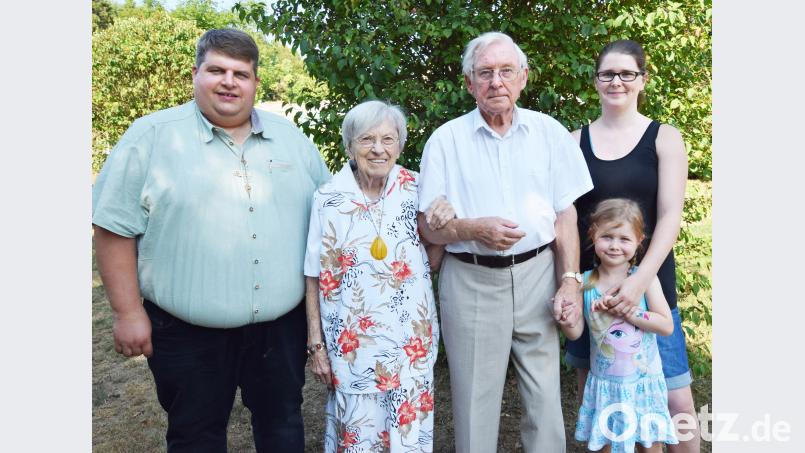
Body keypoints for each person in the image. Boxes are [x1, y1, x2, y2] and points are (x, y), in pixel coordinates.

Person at [92, 28, 331, 452]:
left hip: (280, 332)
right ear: (195, 74)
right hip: (186, 334)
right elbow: (114, 227)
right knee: (195, 435)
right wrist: (127, 312)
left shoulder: (290, 139)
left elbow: (334, 210)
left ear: (256, 82)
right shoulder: (150, 137)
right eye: (216, 70)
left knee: (283, 425)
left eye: (241, 73)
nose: (229, 82)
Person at [417, 32, 594, 453]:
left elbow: (565, 213)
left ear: (522, 78)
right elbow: (429, 227)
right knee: (475, 401)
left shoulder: (549, 133)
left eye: (505, 71)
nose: (496, 81)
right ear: (469, 83)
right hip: (471, 280)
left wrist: (569, 279)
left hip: (538, 275)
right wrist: (472, 229)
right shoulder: (446, 140)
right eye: (485, 73)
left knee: (545, 399)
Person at [564, 39, 701, 451]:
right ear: (596, 81)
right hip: (595, 292)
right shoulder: (574, 142)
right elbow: (566, 219)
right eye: (608, 73)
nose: (617, 81)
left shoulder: (664, 138)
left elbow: (670, 215)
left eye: (627, 73)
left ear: (642, 79)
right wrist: (571, 281)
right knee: (605, 399)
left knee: (675, 403)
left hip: (651, 286)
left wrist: (640, 281)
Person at [303, 100, 453, 453]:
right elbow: (312, 274)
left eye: (388, 139)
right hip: (353, 348)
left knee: (408, 437)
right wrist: (316, 344)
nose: (378, 148)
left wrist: (445, 224)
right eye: (367, 139)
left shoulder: (416, 188)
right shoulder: (328, 198)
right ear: (350, 146)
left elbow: (431, 259)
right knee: (359, 437)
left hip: (408, 343)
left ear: (400, 145)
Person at [559, 199, 678, 452]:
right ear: (593, 236)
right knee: (606, 446)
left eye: (624, 239)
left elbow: (666, 325)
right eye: (607, 237)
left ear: (639, 241)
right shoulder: (585, 283)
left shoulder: (644, 280)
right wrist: (565, 320)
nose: (614, 246)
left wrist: (630, 312)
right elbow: (576, 331)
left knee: (650, 446)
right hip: (606, 387)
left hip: (644, 384)